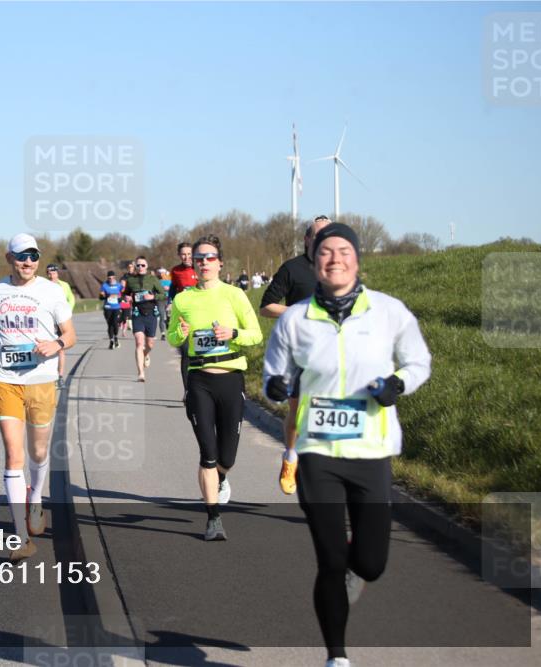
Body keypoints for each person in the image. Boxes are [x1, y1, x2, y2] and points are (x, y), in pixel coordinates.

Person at [263, 223, 431, 667]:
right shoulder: (295, 319)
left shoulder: (389, 312)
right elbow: (272, 376)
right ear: (313, 261)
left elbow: (419, 362)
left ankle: (358, 571)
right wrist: (276, 388)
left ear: (358, 259)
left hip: (371, 450)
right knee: (331, 560)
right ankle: (336, 656)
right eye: (325, 252)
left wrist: (397, 383)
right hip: (318, 451)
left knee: (370, 564)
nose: (334, 259)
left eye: (343, 251)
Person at [0, 233, 76, 562]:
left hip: (41, 380)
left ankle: (36, 498)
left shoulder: (51, 291)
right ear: (9, 258)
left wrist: (56, 345)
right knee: (13, 456)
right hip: (5, 380)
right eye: (21, 256)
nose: (28, 262)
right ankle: (19, 537)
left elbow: (70, 335)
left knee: (38, 451)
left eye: (33, 256)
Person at [167, 235, 262, 540]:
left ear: (220, 263)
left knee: (227, 457)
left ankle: (220, 477)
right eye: (199, 258)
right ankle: (213, 518)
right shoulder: (182, 299)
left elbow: (255, 335)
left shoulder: (234, 295)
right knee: (207, 452)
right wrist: (180, 334)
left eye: (210, 258)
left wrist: (232, 332)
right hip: (199, 381)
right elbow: (171, 338)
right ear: (193, 263)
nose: (204, 263)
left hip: (231, 378)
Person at [260, 215, 332, 494]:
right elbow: (266, 306)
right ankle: (291, 455)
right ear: (307, 239)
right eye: (318, 235)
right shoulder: (293, 268)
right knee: (298, 411)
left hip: (334, 354)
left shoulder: (341, 268)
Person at [123, 256, 165, 382]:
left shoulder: (152, 279)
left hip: (151, 313)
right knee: (139, 343)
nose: (140, 267)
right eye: (138, 265)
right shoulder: (131, 280)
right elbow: (125, 294)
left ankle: (146, 354)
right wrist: (127, 298)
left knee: (149, 344)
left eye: (143, 265)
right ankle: (141, 373)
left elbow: (163, 294)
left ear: (147, 267)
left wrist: (152, 296)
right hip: (137, 314)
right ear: (135, 267)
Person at [169, 242, 199, 390]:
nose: (186, 257)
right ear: (179, 255)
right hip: (183, 317)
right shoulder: (176, 271)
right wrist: (171, 303)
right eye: (183, 254)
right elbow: (172, 291)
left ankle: (200, 388)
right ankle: (187, 390)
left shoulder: (200, 268)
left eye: (189, 254)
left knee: (200, 354)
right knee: (186, 354)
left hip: (201, 315)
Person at [45, 264, 75, 389]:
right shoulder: (43, 285)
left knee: (61, 348)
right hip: (47, 322)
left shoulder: (64, 285)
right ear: (47, 274)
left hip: (60, 321)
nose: (52, 275)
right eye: (49, 273)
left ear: (57, 273)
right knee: (46, 348)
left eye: (54, 273)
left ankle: (60, 376)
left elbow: (71, 299)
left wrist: (67, 314)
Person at [99, 270, 123, 349]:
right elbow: (100, 297)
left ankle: (116, 337)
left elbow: (123, 294)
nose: (111, 279)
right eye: (109, 278)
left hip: (116, 307)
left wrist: (120, 298)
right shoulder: (104, 285)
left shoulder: (119, 285)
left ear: (115, 277)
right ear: (107, 278)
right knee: (110, 324)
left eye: (112, 278)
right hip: (108, 308)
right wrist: (104, 296)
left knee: (115, 323)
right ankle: (111, 341)